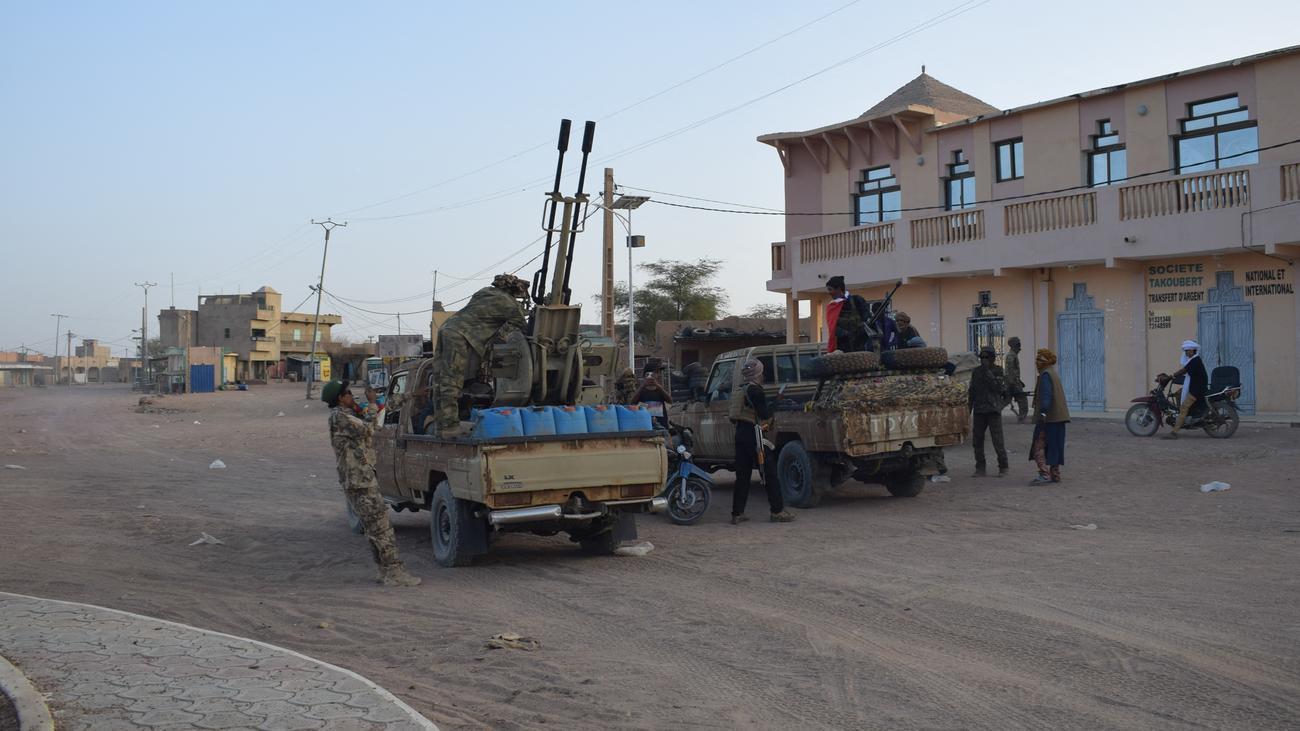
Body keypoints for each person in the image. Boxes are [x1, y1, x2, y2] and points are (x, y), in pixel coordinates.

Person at [322, 380, 420, 587]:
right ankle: (394, 572)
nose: (352, 396)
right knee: (382, 527)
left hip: (359, 480)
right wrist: (373, 403)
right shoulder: (341, 418)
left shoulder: (348, 415)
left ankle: (384, 570)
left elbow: (382, 411)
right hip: (360, 482)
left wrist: (408, 396)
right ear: (340, 398)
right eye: (348, 393)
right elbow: (370, 428)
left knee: (374, 528)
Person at [430, 274, 529, 437]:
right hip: (460, 335)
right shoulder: (509, 304)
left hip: (447, 328)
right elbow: (524, 329)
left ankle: (441, 425)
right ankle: (450, 426)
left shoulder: (484, 291)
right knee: (452, 381)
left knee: (441, 380)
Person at [729, 359, 796, 525]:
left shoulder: (741, 389)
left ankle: (737, 513)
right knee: (769, 473)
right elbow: (764, 414)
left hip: (741, 434)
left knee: (742, 475)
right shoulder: (756, 390)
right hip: (755, 435)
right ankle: (777, 511)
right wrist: (777, 401)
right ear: (758, 373)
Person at [1028, 349, 1070, 484]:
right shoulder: (1053, 373)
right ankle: (1055, 474)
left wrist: (1043, 413)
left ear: (1042, 362)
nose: (1035, 363)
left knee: (1038, 447)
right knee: (1055, 446)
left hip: (1049, 418)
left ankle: (1044, 474)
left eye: (1037, 361)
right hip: (1059, 417)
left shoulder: (1046, 375)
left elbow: (1046, 396)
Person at [968, 346, 1010, 477]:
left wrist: (988, 372)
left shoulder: (998, 371)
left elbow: (999, 388)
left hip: (993, 410)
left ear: (993, 358)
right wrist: (968, 410)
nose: (983, 360)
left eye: (986, 357)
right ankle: (980, 467)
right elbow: (972, 391)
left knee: (998, 441)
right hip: (980, 410)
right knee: (977, 440)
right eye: (981, 358)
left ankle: (1003, 466)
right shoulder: (976, 372)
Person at [1163, 339, 1208, 439]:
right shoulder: (1194, 360)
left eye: (1187, 351)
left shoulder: (1195, 360)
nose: (1186, 352)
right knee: (1178, 393)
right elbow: (1186, 372)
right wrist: (1173, 377)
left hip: (1197, 389)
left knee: (1183, 407)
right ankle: (1182, 416)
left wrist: (1171, 376)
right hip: (1195, 386)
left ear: (1192, 351)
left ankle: (1174, 432)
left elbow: (1184, 370)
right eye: (1186, 351)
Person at [824, 276, 872, 353]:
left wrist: (859, 332)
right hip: (842, 347)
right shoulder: (832, 306)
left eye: (830, 289)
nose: (829, 292)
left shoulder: (857, 300)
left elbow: (866, 318)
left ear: (839, 289)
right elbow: (833, 328)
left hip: (860, 344)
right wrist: (846, 334)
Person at [1003, 336, 1029, 424]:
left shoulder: (1013, 355)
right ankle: (1021, 419)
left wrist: (1019, 382)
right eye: (1018, 344)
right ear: (1014, 345)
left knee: (1006, 400)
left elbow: (1012, 371)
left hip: (1013, 382)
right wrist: (1013, 384)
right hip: (1012, 383)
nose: (1020, 346)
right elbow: (1009, 371)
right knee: (1023, 402)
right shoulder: (1011, 356)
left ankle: (993, 415)